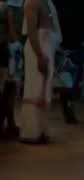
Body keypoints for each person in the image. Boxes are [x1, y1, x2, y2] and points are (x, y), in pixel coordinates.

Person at [20, 0, 62, 144]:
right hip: (36, 49)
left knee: (44, 92)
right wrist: (39, 55)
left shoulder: (48, 3)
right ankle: (31, 133)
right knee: (34, 89)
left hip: (47, 48)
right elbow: (32, 32)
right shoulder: (32, 2)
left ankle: (41, 130)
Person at [0, 0, 18, 138]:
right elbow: (12, 37)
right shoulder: (5, 9)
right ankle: (10, 126)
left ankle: (9, 125)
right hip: (2, 54)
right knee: (8, 90)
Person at [53, 49, 78, 124]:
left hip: (64, 81)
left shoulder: (64, 60)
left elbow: (73, 68)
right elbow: (58, 70)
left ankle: (70, 117)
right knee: (66, 101)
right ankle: (69, 117)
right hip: (63, 81)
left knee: (66, 101)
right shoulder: (61, 60)